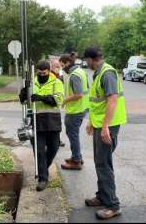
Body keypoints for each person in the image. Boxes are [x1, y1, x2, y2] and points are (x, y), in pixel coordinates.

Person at [84, 47, 126, 220]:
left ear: (91, 59)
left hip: (109, 125)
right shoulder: (99, 73)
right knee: (99, 161)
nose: (86, 62)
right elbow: (97, 102)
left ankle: (113, 205)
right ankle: (102, 196)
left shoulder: (107, 73)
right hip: (101, 123)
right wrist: (92, 122)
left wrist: (105, 126)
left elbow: (112, 100)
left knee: (104, 164)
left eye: (86, 59)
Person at [19, 60, 64, 191]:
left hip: (52, 121)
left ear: (49, 71)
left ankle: (43, 167)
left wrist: (41, 97)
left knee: (53, 148)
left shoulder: (57, 82)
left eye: (44, 73)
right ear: (37, 71)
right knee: (38, 151)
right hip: (36, 120)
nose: (42, 75)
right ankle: (43, 179)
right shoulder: (32, 83)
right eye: (39, 73)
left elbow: (58, 100)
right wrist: (23, 95)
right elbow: (24, 102)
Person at [60, 53, 89, 170]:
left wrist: (65, 100)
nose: (62, 68)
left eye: (62, 65)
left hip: (75, 110)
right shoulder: (80, 71)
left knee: (73, 135)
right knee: (73, 134)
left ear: (67, 63)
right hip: (81, 108)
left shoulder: (74, 75)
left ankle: (76, 161)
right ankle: (77, 156)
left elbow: (78, 94)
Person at [50, 59, 66, 147]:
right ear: (51, 67)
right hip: (52, 104)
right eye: (57, 66)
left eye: (59, 66)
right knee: (55, 124)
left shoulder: (56, 74)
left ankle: (57, 140)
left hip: (55, 104)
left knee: (56, 124)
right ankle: (55, 141)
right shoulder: (52, 75)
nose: (59, 68)